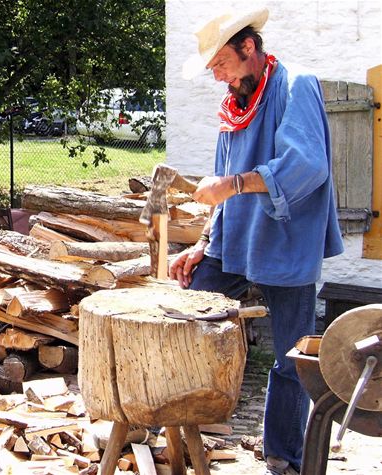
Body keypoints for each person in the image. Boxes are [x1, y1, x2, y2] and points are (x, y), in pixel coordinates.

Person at [169, 7, 344, 475]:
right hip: (234, 240)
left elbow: (308, 165)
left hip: (286, 243)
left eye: (221, 63)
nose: (217, 76)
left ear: (249, 47)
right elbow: (225, 186)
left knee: (293, 358)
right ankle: (159, 425)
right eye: (212, 68)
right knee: (178, 317)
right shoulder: (234, 102)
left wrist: (234, 184)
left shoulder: (295, 85)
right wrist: (204, 241)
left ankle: (284, 458)